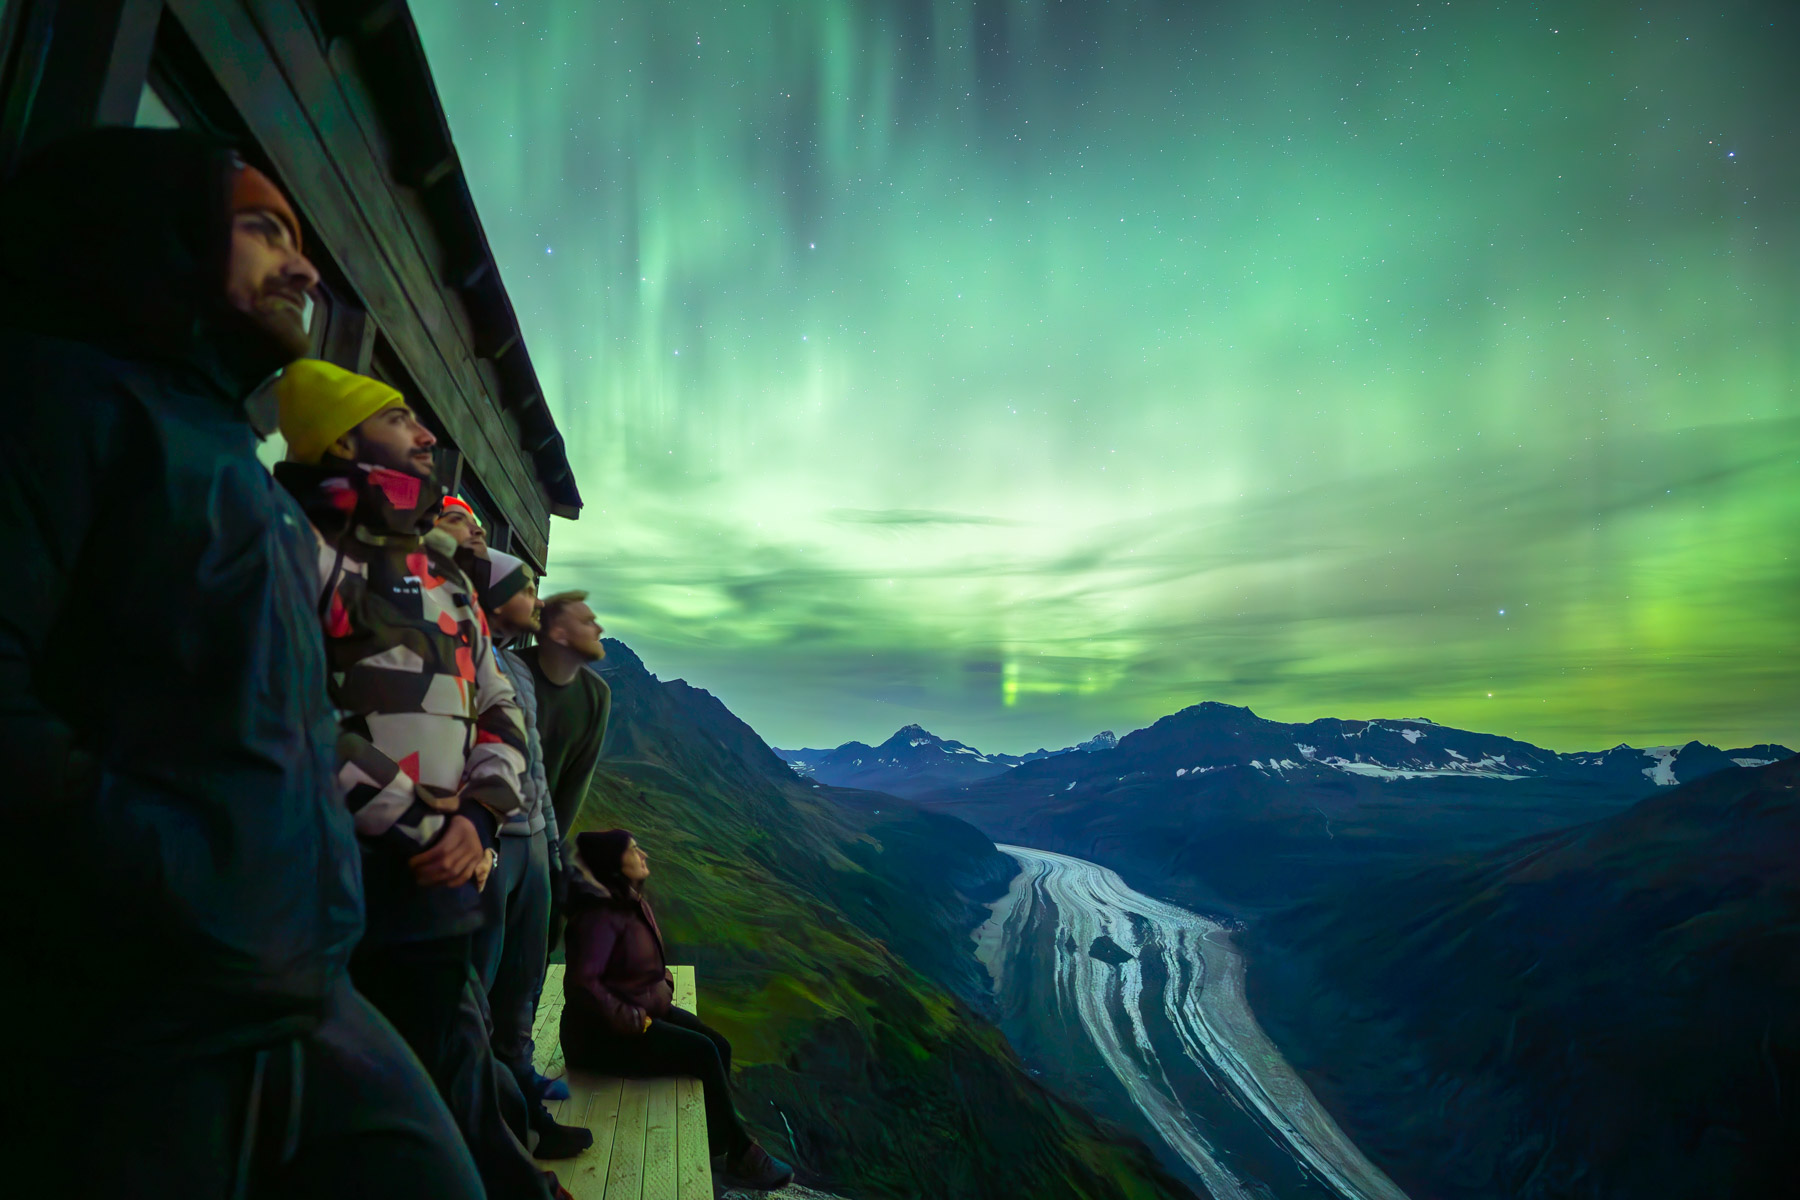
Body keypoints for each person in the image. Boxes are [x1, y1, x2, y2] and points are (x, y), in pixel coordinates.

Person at [0, 128, 484, 1197]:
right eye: (263, 229)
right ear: (159, 234)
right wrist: (178, 877)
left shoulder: (234, 464)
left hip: (297, 973)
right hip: (143, 1006)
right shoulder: (53, 402)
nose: (303, 266)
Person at [274, 359, 567, 1200]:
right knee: (364, 1120)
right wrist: (424, 826)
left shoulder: (447, 584)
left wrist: (479, 814)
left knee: (453, 1070)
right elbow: (292, 714)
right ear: (340, 437)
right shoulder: (302, 548)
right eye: (402, 418)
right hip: (335, 881)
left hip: (443, 890)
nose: (428, 434)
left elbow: (501, 712)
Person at [563, 830, 795, 1191]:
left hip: (641, 1011)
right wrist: (633, 1019)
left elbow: (633, 963)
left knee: (719, 1045)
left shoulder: (628, 901)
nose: (644, 853)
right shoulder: (599, 915)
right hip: (601, 1037)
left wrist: (662, 981)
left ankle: (717, 1145)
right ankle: (740, 1154)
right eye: (633, 849)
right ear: (614, 864)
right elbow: (582, 985)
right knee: (702, 1052)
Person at [460, 546, 591, 1157]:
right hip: (492, 846)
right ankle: (489, 1120)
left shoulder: (514, 672)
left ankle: (521, 1102)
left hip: (531, 841)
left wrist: (556, 857)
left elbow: (533, 765)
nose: (537, 599)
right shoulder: (461, 657)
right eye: (525, 587)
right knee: (478, 987)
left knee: (523, 982)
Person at [521, 591, 613, 955]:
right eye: (587, 622)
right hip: (492, 832)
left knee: (534, 951)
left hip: (543, 842)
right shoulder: (509, 673)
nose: (599, 628)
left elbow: (577, 781)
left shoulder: (596, 696)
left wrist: (549, 851)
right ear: (558, 633)